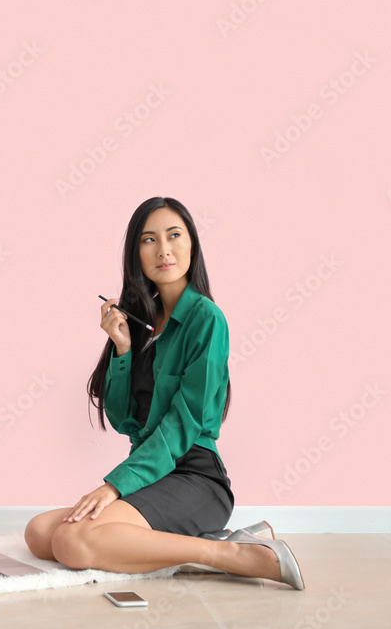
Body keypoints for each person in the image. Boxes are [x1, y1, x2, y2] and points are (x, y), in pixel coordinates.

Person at [23, 197, 304, 589]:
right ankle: (206, 547)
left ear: (192, 245)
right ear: (135, 254)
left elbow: (182, 424)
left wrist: (114, 485)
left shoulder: (207, 319)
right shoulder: (143, 323)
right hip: (151, 473)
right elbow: (125, 421)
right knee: (39, 533)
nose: (163, 250)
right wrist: (122, 347)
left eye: (174, 236)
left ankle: (232, 554)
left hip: (195, 477)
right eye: (149, 240)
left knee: (72, 541)